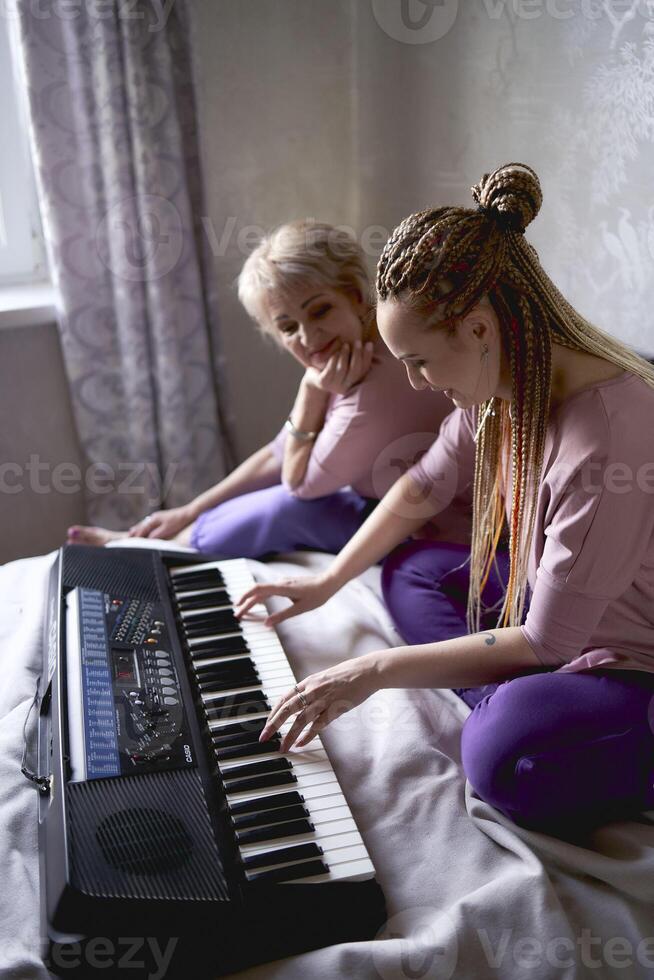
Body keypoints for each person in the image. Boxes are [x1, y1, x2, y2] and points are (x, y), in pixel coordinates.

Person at [235, 163, 654, 840]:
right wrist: (328, 581)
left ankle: (525, 708)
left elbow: (551, 639)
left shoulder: (604, 436)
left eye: (420, 361)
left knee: (498, 760)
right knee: (415, 569)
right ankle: (507, 692)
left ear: (479, 328)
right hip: (566, 623)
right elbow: (423, 486)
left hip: (633, 663)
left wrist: (368, 672)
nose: (417, 383)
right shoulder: (507, 386)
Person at [66, 220, 461, 558]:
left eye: (320, 310)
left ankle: (152, 553)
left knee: (282, 511)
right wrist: (188, 510)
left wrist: (310, 392)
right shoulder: (352, 354)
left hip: (428, 532)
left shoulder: (375, 382)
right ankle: (161, 540)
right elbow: (278, 454)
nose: (309, 336)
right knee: (260, 505)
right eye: (288, 327)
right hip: (386, 502)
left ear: (356, 296)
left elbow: (298, 484)